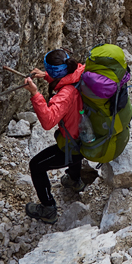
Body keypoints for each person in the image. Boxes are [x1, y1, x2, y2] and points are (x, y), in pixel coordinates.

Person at [22, 48, 87, 224]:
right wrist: (46, 76)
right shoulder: (80, 72)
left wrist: (35, 94)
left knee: (36, 165)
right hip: (85, 135)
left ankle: (48, 209)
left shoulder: (65, 95)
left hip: (74, 143)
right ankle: (74, 180)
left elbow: (49, 121)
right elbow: (65, 80)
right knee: (70, 142)